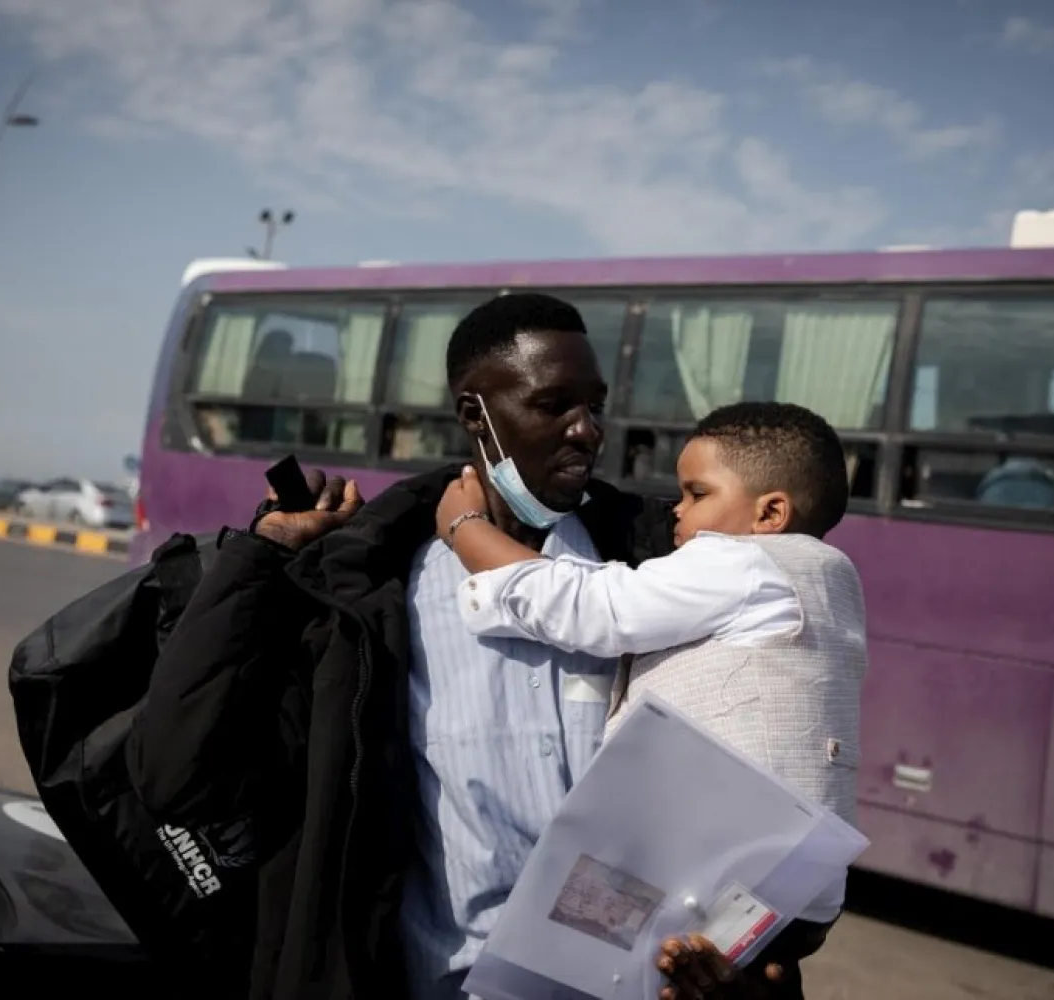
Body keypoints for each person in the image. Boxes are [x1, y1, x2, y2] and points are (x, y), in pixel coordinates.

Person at [124, 293, 827, 1000]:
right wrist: (263, 556)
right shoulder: (371, 589)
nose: (587, 431)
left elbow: (771, 777)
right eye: (553, 405)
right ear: (475, 415)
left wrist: (734, 962)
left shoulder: (653, 571)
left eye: (595, 405)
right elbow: (176, 773)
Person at [434, 401, 865, 968]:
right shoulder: (833, 579)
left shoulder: (740, 564)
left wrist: (467, 533)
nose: (676, 509)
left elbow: (597, 605)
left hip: (709, 863)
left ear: (771, 513)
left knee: (557, 965)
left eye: (697, 493)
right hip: (804, 890)